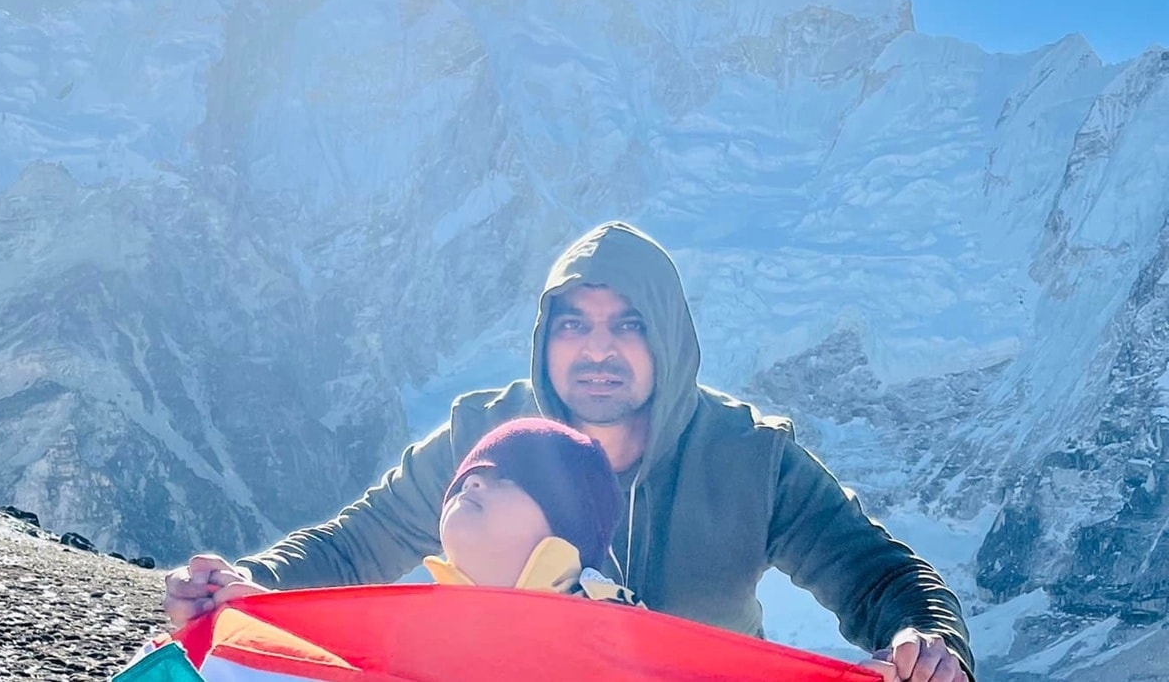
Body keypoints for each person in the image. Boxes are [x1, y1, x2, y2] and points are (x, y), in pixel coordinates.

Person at [166, 221, 974, 682]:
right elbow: (354, 545)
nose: (597, 350)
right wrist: (248, 587)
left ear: (669, 338)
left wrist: (927, 644)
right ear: (544, 336)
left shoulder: (751, 461)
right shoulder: (486, 437)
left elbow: (882, 577)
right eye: (573, 324)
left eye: (628, 325)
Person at [178, 417, 637, 612]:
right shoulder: (417, 621)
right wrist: (257, 610)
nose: (474, 483)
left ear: (565, 526)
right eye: (471, 475)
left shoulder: (615, 628)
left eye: (509, 479)